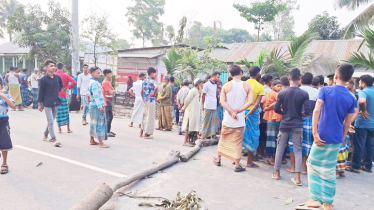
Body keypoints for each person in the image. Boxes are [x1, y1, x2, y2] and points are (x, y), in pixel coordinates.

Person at [296, 64, 357, 210]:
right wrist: (342, 137)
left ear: (335, 76)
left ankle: (315, 199)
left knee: (312, 164)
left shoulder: (325, 90)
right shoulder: (351, 97)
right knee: (329, 168)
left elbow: (317, 110)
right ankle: (328, 202)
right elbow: (348, 122)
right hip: (336, 137)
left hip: (322, 134)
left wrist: (315, 132)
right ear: (349, 79)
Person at [273, 68, 310, 186]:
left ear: (288, 79)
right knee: (297, 149)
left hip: (284, 123)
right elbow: (307, 111)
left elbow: (277, 108)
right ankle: (297, 178)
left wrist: (285, 112)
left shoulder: (282, 93)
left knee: (280, 146)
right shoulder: (304, 93)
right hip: (297, 123)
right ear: (300, 79)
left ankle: (277, 173)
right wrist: (299, 113)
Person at [214, 65, 253, 172]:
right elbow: (250, 102)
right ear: (241, 73)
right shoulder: (247, 86)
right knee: (237, 142)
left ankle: (218, 159)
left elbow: (222, 102)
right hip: (239, 119)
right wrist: (238, 111)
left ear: (230, 75)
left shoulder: (226, 86)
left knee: (223, 138)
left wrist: (231, 112)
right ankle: (236, 164)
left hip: (228, 118)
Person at [349, 75, 374, 173]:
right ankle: (368, 166)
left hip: (363, 123)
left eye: (359, 83)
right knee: (370, 145)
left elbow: (362, 101)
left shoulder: (364, 92)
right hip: (372, 125)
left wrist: (363, 110)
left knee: (359, 145)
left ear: (363, 83)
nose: (359, 84)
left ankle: (356, 166)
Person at [38, 60, 63, 147]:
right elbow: (40, 92)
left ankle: (45, 134)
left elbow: (61, 85)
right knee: (50, 121)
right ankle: (54, 139)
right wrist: (40, 104)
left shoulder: (57, 77)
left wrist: (57, 91)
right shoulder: (43, 80)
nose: (53, 67)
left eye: (54, 66)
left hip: (56, 101)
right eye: (51, 66)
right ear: (46, 68)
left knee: (51, 120)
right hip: (47, 102)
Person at [243, 66, 264, 168]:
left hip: (241, 111)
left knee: (239, 134)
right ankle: (249, 161)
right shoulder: (260, 86)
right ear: (258, 74)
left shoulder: (243, 84)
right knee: (253, 136)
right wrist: (249, 114)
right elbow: (256, 105)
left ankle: (235, 160)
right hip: (253, 113)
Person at [299, 72, 319, 174]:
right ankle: (304, 168)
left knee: (296, 143)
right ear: (311, 81)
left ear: (301, 80)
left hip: (297, 120)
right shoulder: (316, 92)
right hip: (310, 120)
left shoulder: (298, 90)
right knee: (307, 145)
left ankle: (294, 166)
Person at [88, 67, 109, 148]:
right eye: (98, 73)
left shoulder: (93, 82)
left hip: (93, 105)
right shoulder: (94, 83)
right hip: (97, 106)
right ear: (93, 74)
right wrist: (100, 106)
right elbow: (96, 95)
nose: (100, 74)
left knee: (94, 123)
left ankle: (92, 139)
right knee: (99, 124)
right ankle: (100, 142)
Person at [263, 80, 282, 165]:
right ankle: (275, 158)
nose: (280, 87)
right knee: (275, 139)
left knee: (273, 139)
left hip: (273, 118)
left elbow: (275, 104)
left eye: (280, 86)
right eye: (278, 86)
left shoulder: (277, 94)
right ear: (272, 86)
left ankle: (273, 159)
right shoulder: (272, 93)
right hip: (272, 118)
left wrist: (266, 108)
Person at [55, 63, 76, 133]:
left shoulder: (54, 75)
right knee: (65, 112)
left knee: (58, 112)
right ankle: (68, 129)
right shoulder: (66, 75)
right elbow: (74, 82)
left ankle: (59, 128)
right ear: (63, 67)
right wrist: (67, 87)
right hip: (64, 95)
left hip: (56, 95)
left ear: (56, 67)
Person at [0, 77, 15, 174]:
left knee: (4, 143)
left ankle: (4, 163)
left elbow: (13, 105)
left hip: (3, 120)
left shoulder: (5, 94)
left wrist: (3, 97)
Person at [181, 78, 203, 146]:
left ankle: (190, 141)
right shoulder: (193, 91)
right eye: (201, 84)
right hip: (191, 112)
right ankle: (185, 141)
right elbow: (187, 100)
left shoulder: (197, 91)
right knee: (188, 127)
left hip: (194, 112)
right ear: (198, 84)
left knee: (192, 127)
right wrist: (183, 108)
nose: (202, 85)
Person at [201, 71, 220, 140]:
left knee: (213, 122)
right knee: (206, 121)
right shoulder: (206, 84)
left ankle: (210, 135)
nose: (218, 78)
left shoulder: (215, 85)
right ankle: (203, 136)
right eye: (217, 77)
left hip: (214, 105)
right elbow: (203, 95)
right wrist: (203, 104)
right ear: (213, 76)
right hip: (208, 105)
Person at [140, 67, 158, 139]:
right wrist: (154, 94)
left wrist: (143, 98)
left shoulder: (144, 81)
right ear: (152, 73)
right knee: (150, 117)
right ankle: (147, 134)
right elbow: (156, 87)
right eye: (154, 74)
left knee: (144, 116)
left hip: (145, 100)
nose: (155, 75)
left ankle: (141, 131)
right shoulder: (153, 81)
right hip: (151, 100)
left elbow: (141, 92)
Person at [102, 69, 116, 138]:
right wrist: (112, 91)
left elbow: (112, 91)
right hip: (106, 101)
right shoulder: (105, 83)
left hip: (109, 100)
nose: (111, 75)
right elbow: (110, 92)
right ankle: (106, 131)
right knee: (108, 116)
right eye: (110, 73)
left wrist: (112, 91)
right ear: (107, 74)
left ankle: (108, 130)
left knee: (110, 116)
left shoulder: (108, 82)